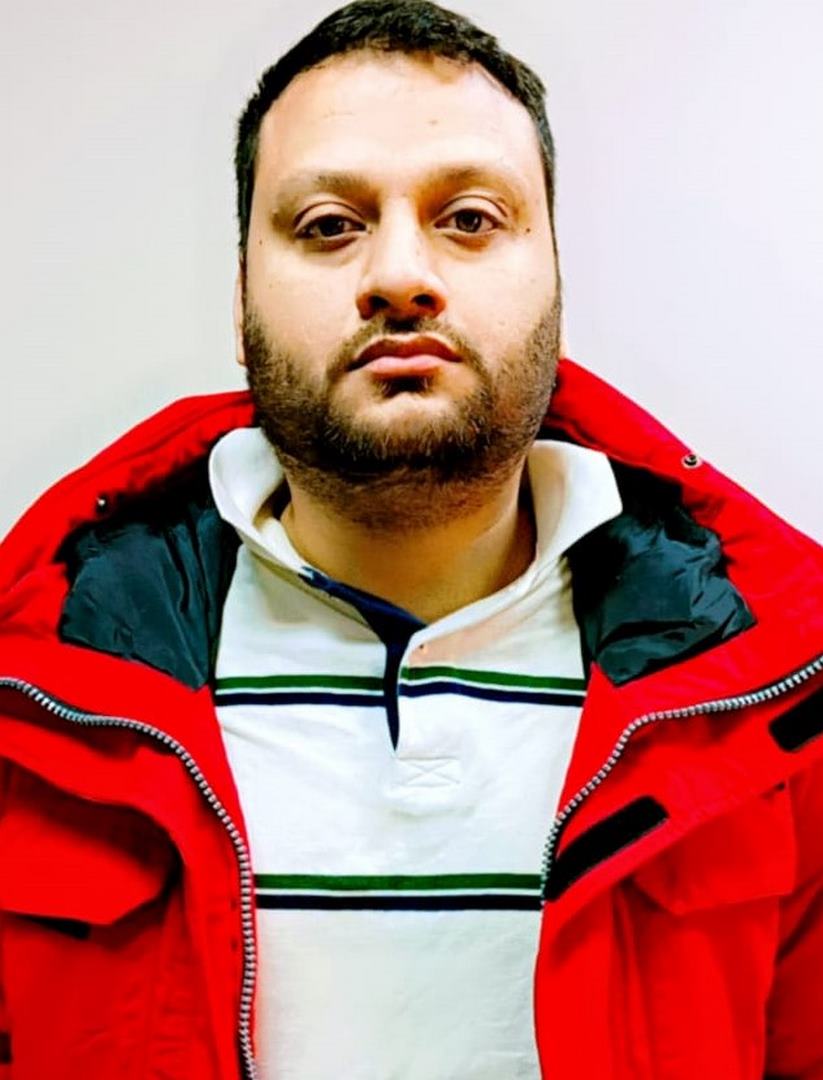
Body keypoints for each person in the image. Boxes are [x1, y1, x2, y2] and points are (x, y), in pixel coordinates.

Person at [1, 1, 821, 1077]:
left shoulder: (781, 701)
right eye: (327, 225)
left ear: (554, 281)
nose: (398, 273)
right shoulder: (31, 691)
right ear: (240, 296)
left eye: (470, 218)